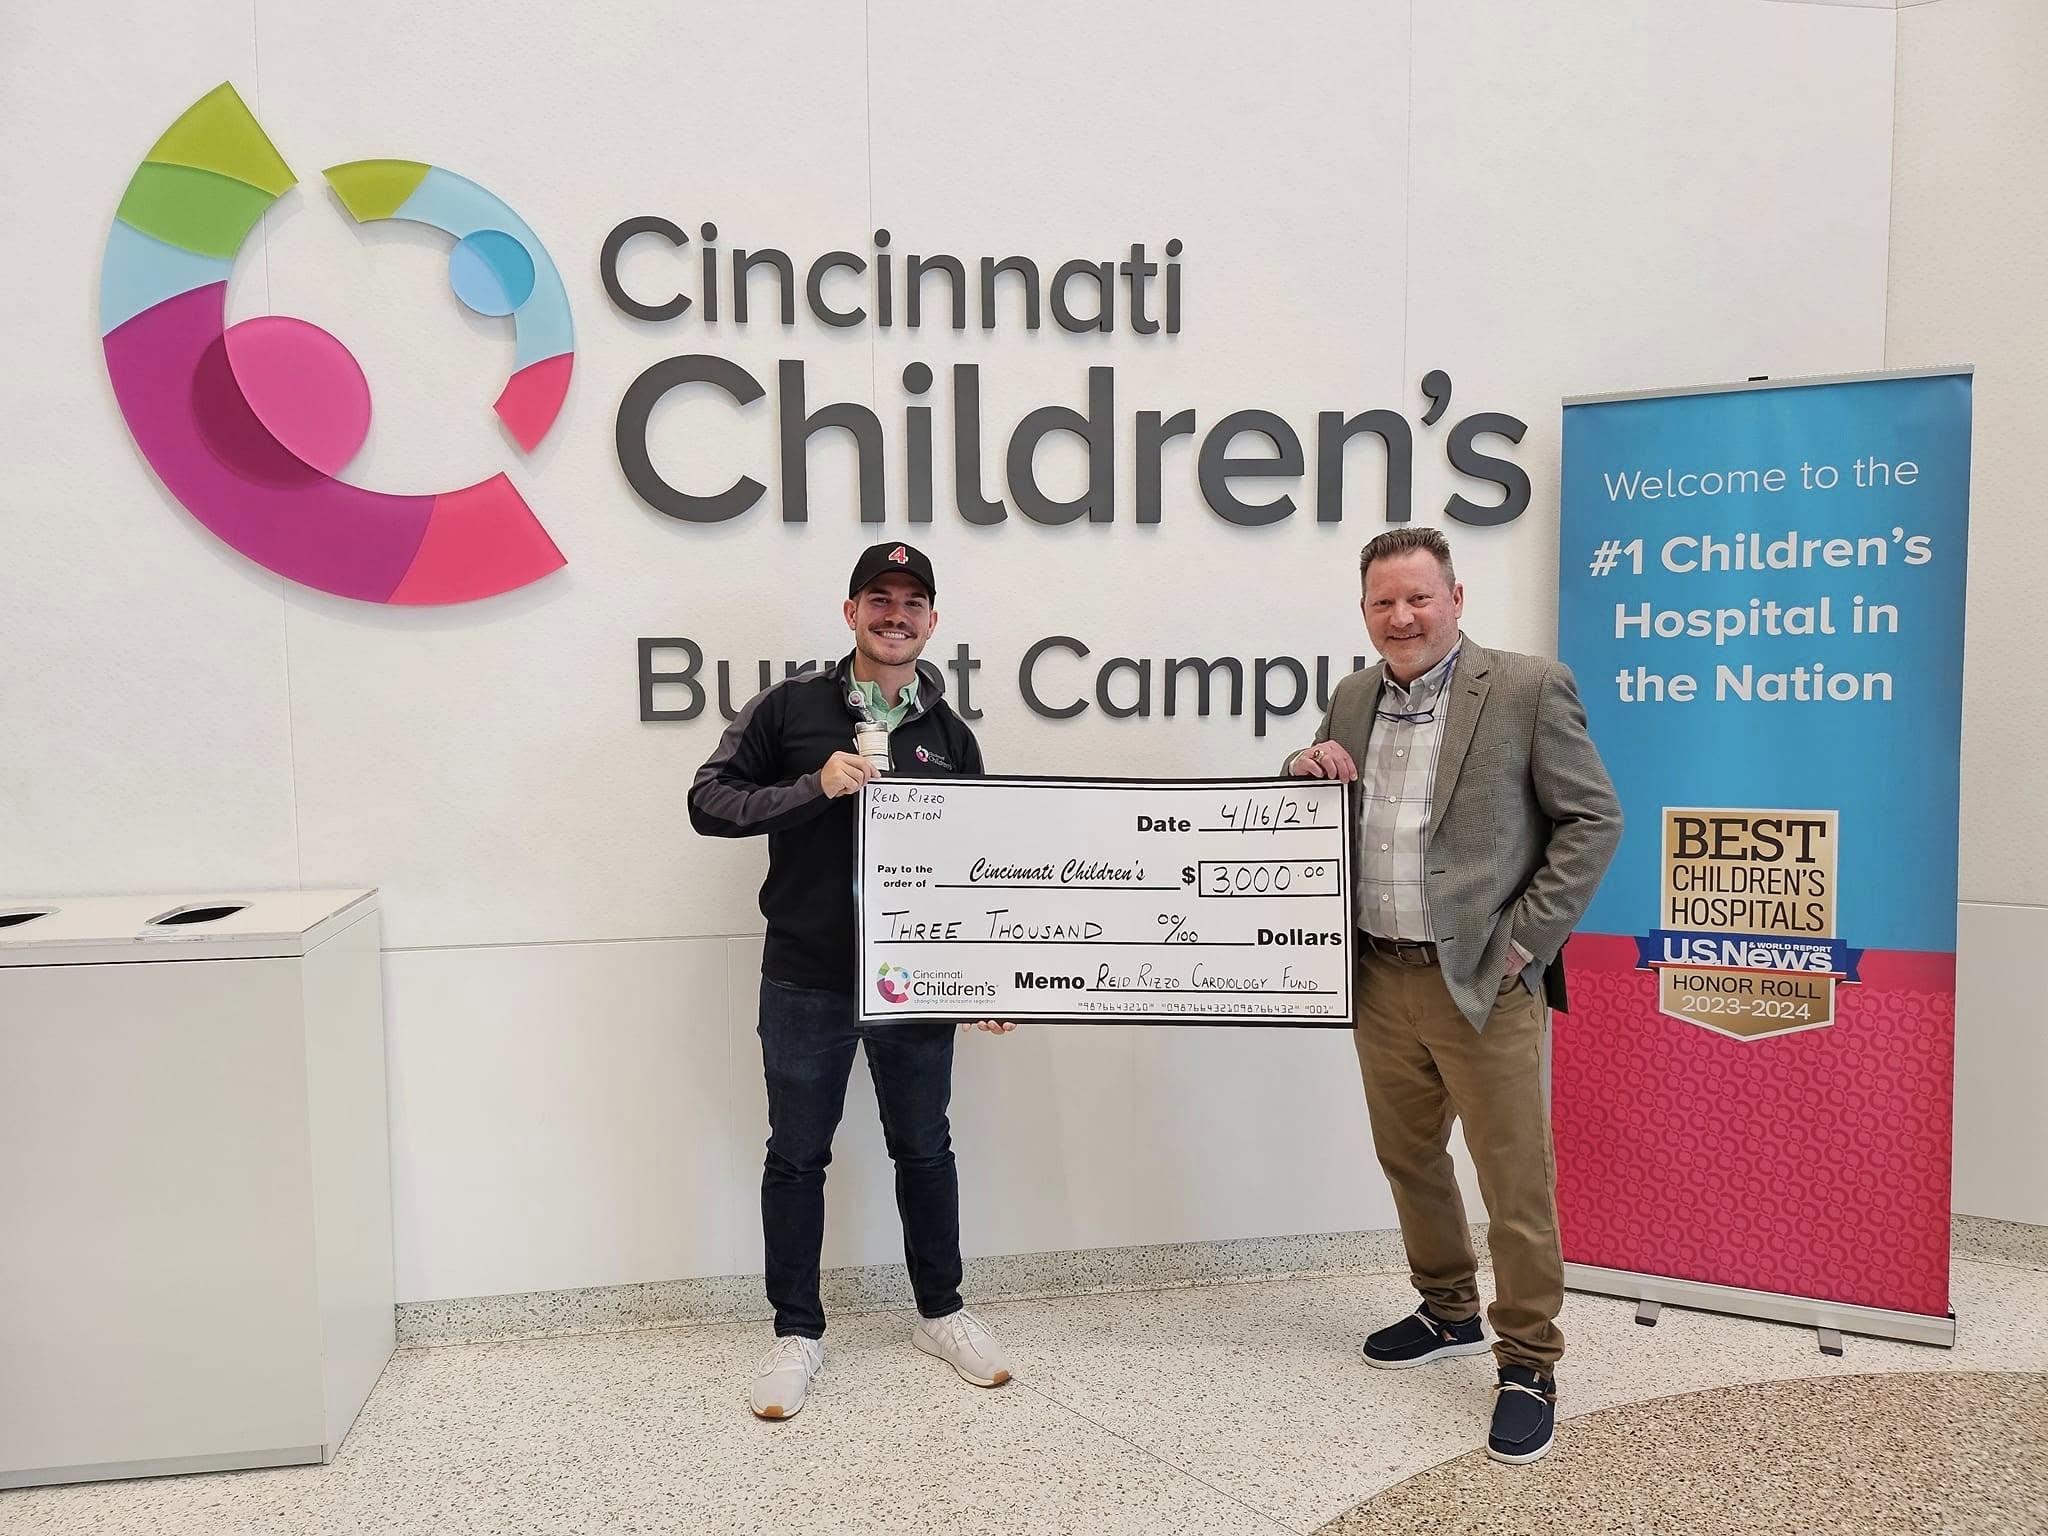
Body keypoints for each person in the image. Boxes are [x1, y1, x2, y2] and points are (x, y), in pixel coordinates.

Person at [1286, 527, 1620, 1466]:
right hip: (1378, 974)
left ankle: (1529, 1362)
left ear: (1456, 598)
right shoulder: (1352, 697)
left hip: (1483, 982)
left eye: (1418, 597)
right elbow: (1322, 804)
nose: (1401, 617)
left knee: (1514, 1181)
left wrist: (1526, 942)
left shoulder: (1526, 688)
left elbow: (1593, 819)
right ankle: (1448, 1311)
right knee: (1410, 1158)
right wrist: (1302, 769)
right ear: (1364, 612)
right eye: (1383, 602)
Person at [690, 540, 1014, 1420]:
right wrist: (812, 786)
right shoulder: (789, 706)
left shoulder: (950, 735)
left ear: (932, 622)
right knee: (797, 1156)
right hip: (807, 978)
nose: (895, 615)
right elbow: (708, 801)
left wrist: (984, 977)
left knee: (926, 1148)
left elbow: (980, 864)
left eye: (912, 602)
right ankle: (796, 1331)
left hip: (916, 984)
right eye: (880, 598)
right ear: (851, 612)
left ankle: (940, 1313)